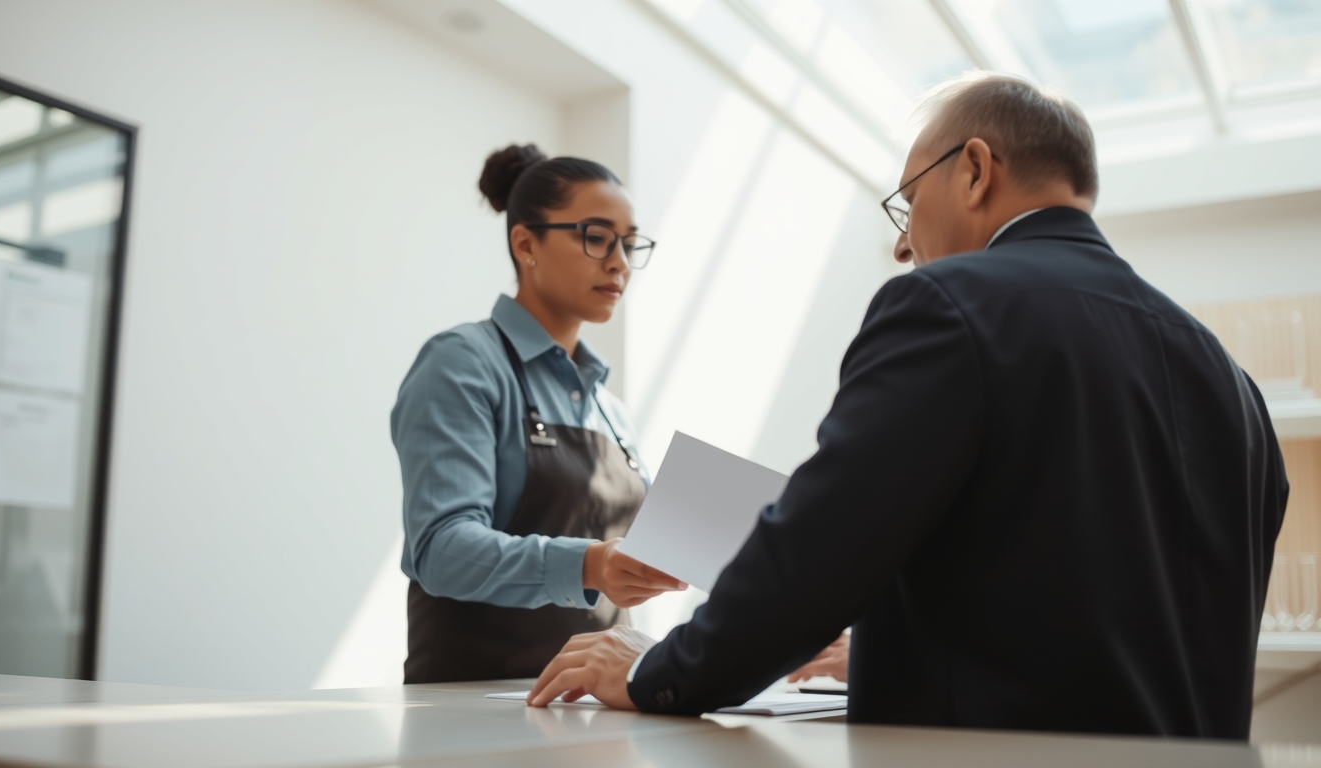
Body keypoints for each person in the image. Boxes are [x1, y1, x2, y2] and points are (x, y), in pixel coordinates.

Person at [525, 74, 1289, 740]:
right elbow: (1101, 604)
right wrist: (899, 644)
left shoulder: (948, 305)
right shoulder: (1229, 379)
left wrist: (663, 672)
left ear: (976, 171)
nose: (903, 246)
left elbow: (821, 548)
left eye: (908, 201)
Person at [391, 144, 685, 684]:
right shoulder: (463, 363)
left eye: (629, 242)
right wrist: (589, 564)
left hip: (600, 704)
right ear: (526, 242)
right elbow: (441, 548)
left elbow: (637, 559)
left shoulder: (610, 407)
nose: (619, 261)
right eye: (597, 237)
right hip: (471, 710)